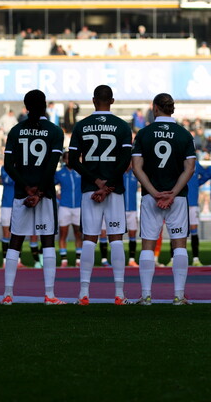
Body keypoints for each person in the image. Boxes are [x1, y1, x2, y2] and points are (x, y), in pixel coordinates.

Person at [68, 85, 134, 305]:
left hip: (90, 190)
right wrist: (108, 185)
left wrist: (97, 182)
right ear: (112, 101)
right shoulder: (122, 126)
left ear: (94, 100)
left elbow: (73, 161)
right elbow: (126, 160)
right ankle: (119, 294)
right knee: (116, 239)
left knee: (89, 239)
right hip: (114, 191)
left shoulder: (82, 125)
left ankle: (84, 294)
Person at [1, 89, 67, 305]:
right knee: (48, 241)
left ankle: (8, 295)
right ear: (45, 105)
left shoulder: (15, 131)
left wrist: (26, 188)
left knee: (15, 242)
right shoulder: (55, 131)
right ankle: (49, 295)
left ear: (26, 106)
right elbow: (50, 166)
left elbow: (9, 166)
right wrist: (38, 192)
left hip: (22, 193)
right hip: (45, 195)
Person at [131, 93, 196, 305]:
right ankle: (178, 296)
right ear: (172, 109)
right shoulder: (184, 134)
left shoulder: (144, 133)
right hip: (177, 198)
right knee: (179, 245)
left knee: (148, 245)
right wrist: (173, 192)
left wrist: (153, 191)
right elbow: (190, 168)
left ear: (155, 108)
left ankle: (146, 295)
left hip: (152, 197)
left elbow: (136, 167)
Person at [55, 152, 83, 267]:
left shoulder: (81, 171)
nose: (69, 161)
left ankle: (78, 260)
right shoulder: (59, 173)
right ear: (64, 160)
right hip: (64, 207)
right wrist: (57, 195)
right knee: (63, 234)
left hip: (78, 206)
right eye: (68, 159)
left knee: (79, 234)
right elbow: (50, 185)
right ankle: (64, 260)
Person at [123, 169, 139, 267]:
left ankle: (131, 259)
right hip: (120, 209)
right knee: (117, 235)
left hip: (132, 209)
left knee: (133, 234)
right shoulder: (119, 173)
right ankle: (119, 259)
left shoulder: (136, 173)